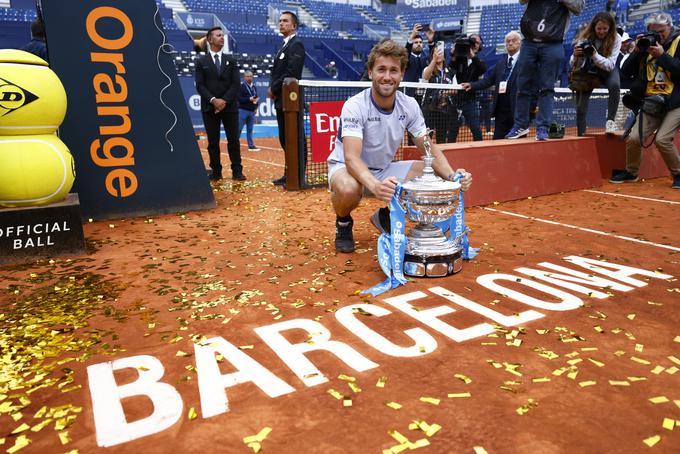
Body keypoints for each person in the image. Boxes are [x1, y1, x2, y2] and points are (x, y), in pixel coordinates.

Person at [326, 39, 473, 253]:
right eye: (381, 70)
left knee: (435, 176)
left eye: (393, 70)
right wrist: (375, 186)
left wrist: (453, 177)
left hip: (384, 170)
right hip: (346, 169)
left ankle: (385, 215)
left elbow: (428, 148)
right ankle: (343, 223)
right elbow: (351, 158)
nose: (387, 77)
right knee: (350, 189)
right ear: (370, 72)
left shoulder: (409, 105)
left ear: (402, 74)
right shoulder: (355, 106)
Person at [611, 12, 680, 188]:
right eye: (653, 31)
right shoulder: (645, 46)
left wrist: (662, 56)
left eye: (661, 32)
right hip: (652, 101)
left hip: (676, 102)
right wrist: (637, 51)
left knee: (662, 139)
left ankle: (678, 174)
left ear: (670, 28)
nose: (658, 35)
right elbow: (625, 72)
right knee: (634, 138)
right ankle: (631, 172)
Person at [506, 0, 585, 141]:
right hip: (529, 42)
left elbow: (579, 8)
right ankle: (520, 125)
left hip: (553, 43)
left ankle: (543, 127)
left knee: (547, 87)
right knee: (522, 85)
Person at [195, 27, 245, 181]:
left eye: (223, 35)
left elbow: (236, 84)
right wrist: (213, 100)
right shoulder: (200, 61)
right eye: (218, 36)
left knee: (233, 140)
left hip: (229, 106)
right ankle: (216, 171)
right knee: (213, 141)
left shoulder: (231, 60)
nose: (222, 38)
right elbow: (200, 85)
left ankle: (237, 171)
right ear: (210, 40)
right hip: (209, 107)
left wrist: (223, 101)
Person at [461, 31, 522, 140]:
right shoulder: (500, 64)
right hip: (500, 112)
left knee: (517, 145)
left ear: (520, 43)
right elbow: (488, 81)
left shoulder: (526, 62)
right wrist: (472, 85)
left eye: (514, 41)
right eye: (508, 41)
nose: (510, 43)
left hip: (518, 110)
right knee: (497, 143)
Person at [570, 12, 622, 136]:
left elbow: (610, 65)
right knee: (581, 108)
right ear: (594, 27)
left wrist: (594, 55)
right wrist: (575, 56)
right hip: (588, 70)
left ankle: (610, 121)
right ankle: (581, 133)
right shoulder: (584, 37)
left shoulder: (616, 38)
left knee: (615, 85)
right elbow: (572, 63)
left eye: (605, 29)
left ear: (610, 28)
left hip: (607, 69)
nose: (602, 32)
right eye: (599, 28)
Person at [269, 11, 305, 186]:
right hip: (281, 99)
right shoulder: (284, 45)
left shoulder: (296, 44)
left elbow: (292, 72)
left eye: (285, 21)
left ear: (293, 26)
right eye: (280, 21)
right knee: (285, 138)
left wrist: (273, 88)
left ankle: (298, 174)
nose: (281, 23)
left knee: (294, 138)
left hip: (290, 99)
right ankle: (289, 172)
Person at [447, 33, 486, 142]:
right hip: (457, 99)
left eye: (477, 42)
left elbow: (482, 69)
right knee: (453, 130)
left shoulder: (480, 59)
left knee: (476, 129)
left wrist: (472, 55)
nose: (474, 44)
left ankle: (479, 151)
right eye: (472, 41)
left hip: (471, 100)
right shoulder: (460, 57)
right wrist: (453, 53)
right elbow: (451, 67)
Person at [422, 44, 454, 142]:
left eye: (440, 53)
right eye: (435, 53)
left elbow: (455, 89)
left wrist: (445, 93)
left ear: (444, 56)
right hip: (429, 108)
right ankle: (426, 156)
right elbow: (426, 77)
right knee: (427, 136)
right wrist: (433, 60)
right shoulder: (428, 69)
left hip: (444, 109)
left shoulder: (450, 72)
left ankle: (440, 157)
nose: (438, 55)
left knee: (442, 137)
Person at [238, 70, 260, 152]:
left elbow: (256, 97)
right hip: (242, 111)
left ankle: (251, 146)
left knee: (250, 129)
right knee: (239, 129)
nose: (249, 78)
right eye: (247, 76)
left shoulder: (254, 87)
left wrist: (256, 107)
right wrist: (249, 99)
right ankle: (235, 145)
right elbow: (239, 99)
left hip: (251, 111)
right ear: (244, 77)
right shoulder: (241, 87)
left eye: (251, 76)